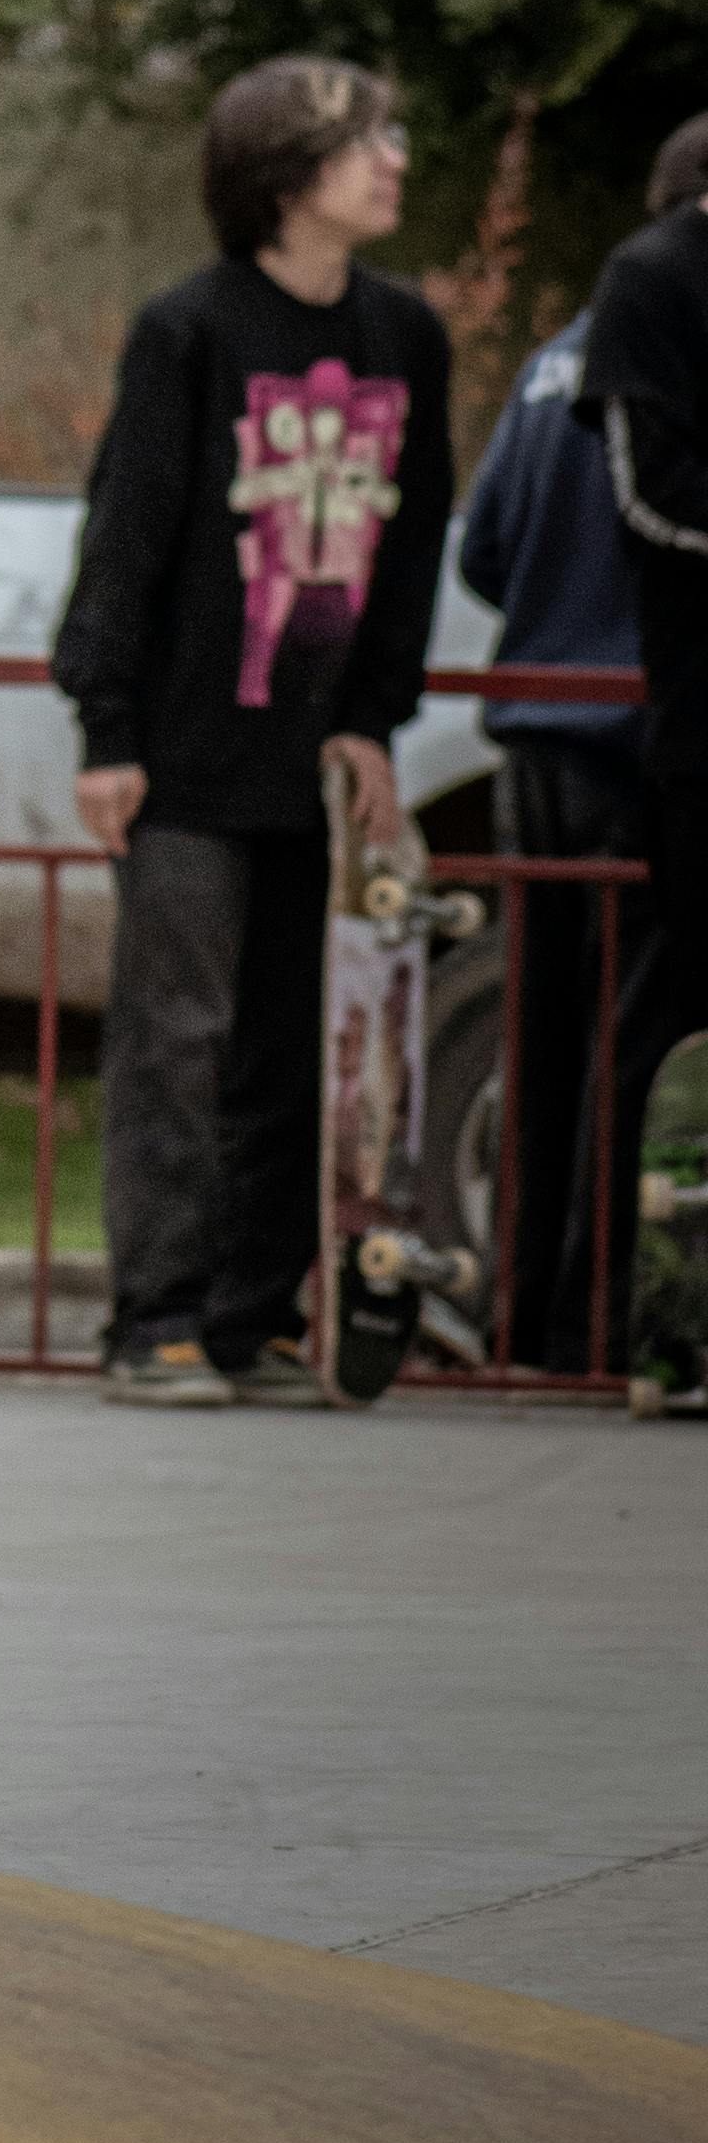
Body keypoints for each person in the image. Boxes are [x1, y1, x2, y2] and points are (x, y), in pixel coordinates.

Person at [54, 54, 454, 1408]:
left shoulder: (409, 339)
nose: (393, 162)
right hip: (183, 749)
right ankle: (153, 1316)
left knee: (292, 1042)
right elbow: (129, 534)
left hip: (313, 750)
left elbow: (412, 554)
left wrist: (373, 723)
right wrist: (105, 729)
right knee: (179, 1035)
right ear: (286, 180)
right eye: (364, 144)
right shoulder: (194, 332)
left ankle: (254, 1311)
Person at [454, 186, 667, 1366]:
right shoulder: (670, 357)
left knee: (534, 1043)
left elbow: (484, 549)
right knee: (627, 1045)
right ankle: (599, 1319)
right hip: (635, 745)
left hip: (529, 740)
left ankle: (519, 1321)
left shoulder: (549, 364)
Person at [568, 106, 708, 1364]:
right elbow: (648, 496)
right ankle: (612, 1303)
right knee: (671, 1007)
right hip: (701, 722)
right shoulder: (655, 276)